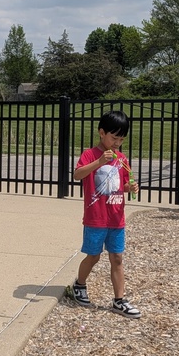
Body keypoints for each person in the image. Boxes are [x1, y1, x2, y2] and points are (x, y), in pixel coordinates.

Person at [70, 110, 141, 317]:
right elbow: (77, 175)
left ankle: (119, 300)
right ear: (102, 133)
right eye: (114, 138)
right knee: (93, 256)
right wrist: (99, 162)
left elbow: (122, 185)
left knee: (117, 258)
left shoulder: (122, 159)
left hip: (116, 218)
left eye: (121, 139)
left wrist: (130, 187)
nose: (117, 143)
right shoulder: (90, 155)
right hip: (96, 218)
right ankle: (79, 284)